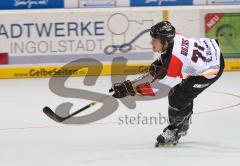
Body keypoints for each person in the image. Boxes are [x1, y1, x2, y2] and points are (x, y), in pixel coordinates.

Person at [109, 21, 225, 146]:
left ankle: (175, 130)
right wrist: (129, 85)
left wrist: (129, 91)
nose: (151, 43)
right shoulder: (173, 39)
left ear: (164, 41)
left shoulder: (173, 61)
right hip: (209, 53)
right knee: (180, 89)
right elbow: (155, 73)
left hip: (211, 69)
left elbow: (157, 90)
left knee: (177, 95)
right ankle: (183, 120)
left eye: (154, 40)